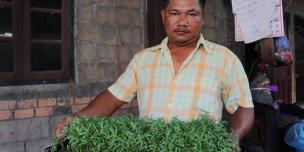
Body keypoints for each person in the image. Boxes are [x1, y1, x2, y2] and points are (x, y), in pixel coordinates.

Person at [56, 0, 254, 143]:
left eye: (192, 14)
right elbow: (113, 98)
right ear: (163, 16)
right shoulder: (143, 60)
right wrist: (77, 118)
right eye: (174, 13)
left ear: (203, 17)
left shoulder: (224, 59)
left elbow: (244, 108)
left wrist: (231, 140)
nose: (183, 21)